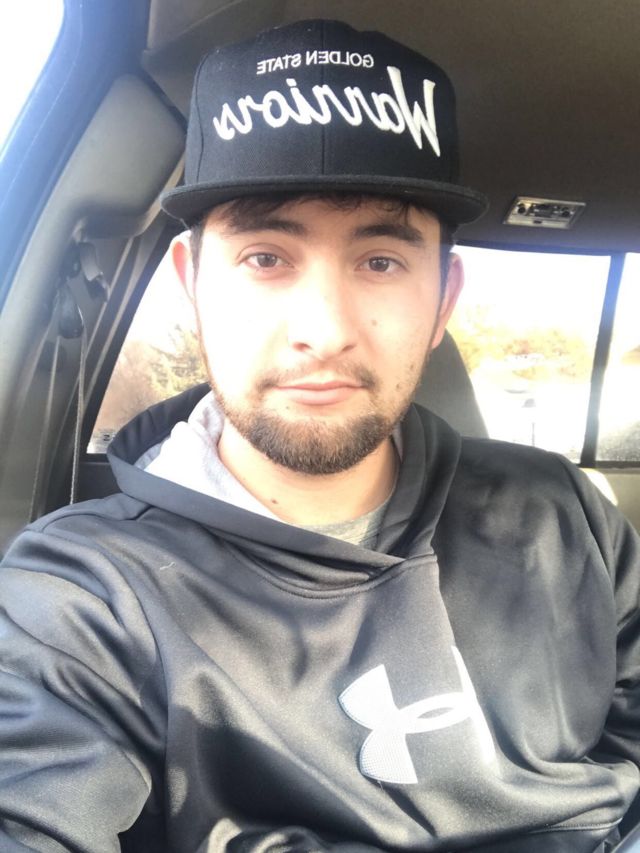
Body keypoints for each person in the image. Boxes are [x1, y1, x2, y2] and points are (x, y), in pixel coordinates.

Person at [0, 17, 639, 853]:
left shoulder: (564, 512)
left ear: (443, 300)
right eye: (266, 257)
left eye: (380, 261)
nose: (326, 330)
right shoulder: (81, 594)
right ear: (194, 286)